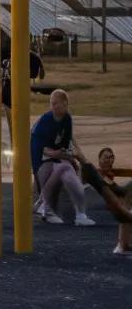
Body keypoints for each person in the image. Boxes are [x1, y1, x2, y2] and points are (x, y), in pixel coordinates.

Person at [31, 89, 94, 225]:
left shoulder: (67, 119)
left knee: (68, 170)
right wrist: (62, 156)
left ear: (65, 104)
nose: (53, 107)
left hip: (53, 156)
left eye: (56, 104)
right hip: (41, 159)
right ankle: (47, 207)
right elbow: (43, 149)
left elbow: (66, 143)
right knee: (63, 168)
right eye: (51, 104)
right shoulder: (46, 120)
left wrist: (70, 156)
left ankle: (80, 213)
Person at [97, 148, 132, 254]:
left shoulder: (109, 175)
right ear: (99, 160)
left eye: (111, 157)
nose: (109, 160)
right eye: (106, 157)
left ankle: (124, 244)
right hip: (105, 203)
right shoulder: (96, 175)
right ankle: (121, 245)